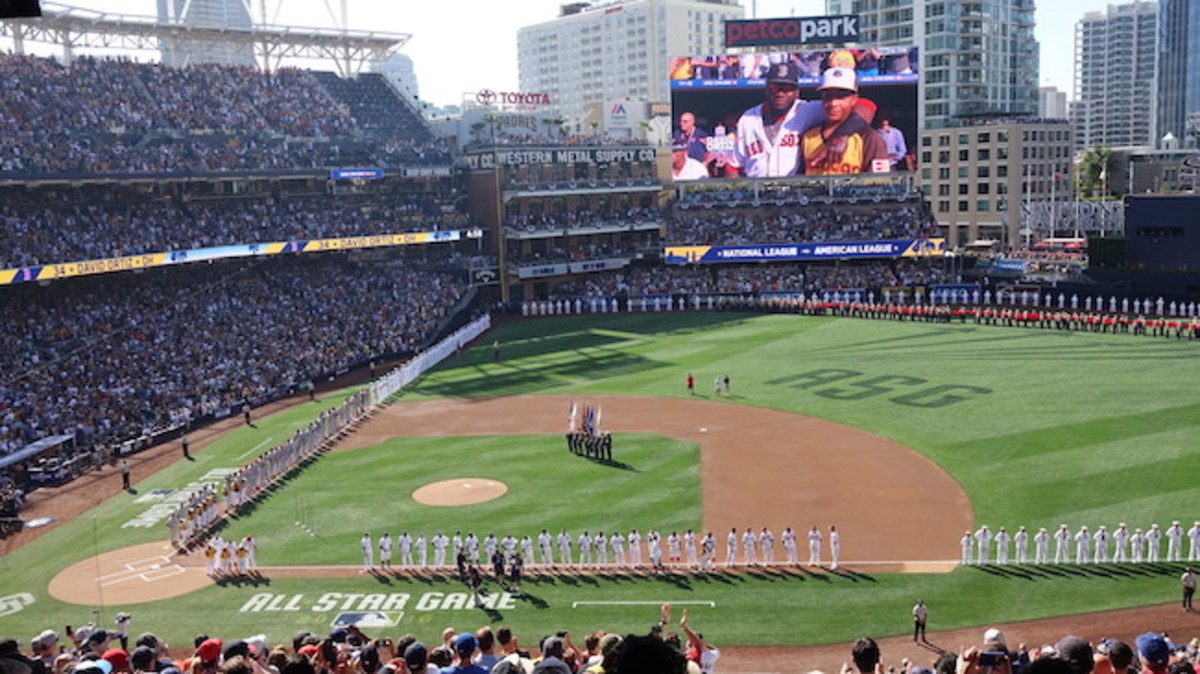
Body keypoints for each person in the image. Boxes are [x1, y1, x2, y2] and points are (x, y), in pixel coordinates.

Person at [724, 62, 823, 177]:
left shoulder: (808, 111)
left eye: (787, 88)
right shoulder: (748, 119)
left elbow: (845, 108)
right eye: (775, 88)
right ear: (766, 89)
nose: (780, 93)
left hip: (791, 190)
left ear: (797, 92)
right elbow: (732, 166)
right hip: (755, 190)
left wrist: (842, 135)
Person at [799, 68, 889, 175]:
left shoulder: (870, 138)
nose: (833, 103)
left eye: (841, 97)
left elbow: (880, 182)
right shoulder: (808, 136)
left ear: (854, 99)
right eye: (828, 96)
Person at [680, 608, 719, 674]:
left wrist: (685, 628)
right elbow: (714, 649)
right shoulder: (713, 654)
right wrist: (704, 644)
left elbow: (695, 646)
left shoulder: (691, 654)